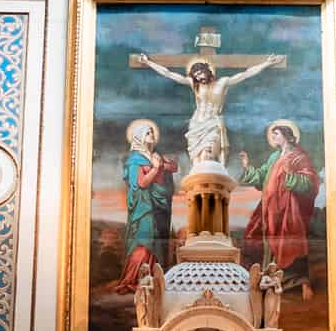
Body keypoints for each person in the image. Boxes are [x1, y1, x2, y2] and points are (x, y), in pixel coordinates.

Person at [133, 50, 284, 166]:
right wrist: (148, 63)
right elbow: (169, 74)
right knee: (197, 161)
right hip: (197, 125)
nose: (199, 77)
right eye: (196, 75)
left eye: (200, 73)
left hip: (212, 124)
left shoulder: (223, 82)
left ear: (207, 70)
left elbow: (246, 74)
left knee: (207, 155)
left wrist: (267, 63)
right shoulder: (195, 85)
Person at [238, 119, 320, 298]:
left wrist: (292, 177)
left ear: (287, 136)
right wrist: (247, 167)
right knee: (267, 242)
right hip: (270, 210)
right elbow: (262, 177)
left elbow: (311, 181)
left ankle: (301, 282)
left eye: (276, 134)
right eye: (272, 134)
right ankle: (269, 278)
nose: (273, 137)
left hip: (289, 210)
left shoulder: (299, 156)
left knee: (290, 243)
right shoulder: (274, 158)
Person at [113, 119, 177, 292]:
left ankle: (149, 278)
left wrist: (163, 166)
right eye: (148, 133)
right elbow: (141, 184)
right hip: (143, 209)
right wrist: (156, 169)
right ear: (139, 137)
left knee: (153, 242)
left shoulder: (152, 156)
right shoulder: (135, 159)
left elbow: (172, 168)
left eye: (152, 132)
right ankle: (132, 279)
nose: (152, 135)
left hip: (153, 208)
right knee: (143, 241)